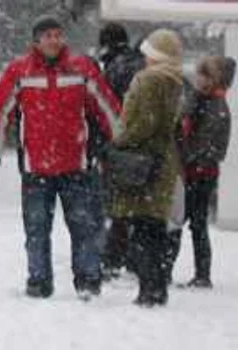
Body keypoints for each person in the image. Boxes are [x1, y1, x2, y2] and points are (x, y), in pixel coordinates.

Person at [0, 15, 122, 300]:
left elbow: (107, 107)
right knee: (37, 230)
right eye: (48, 36)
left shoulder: (81, 69)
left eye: (58, 35)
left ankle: (88, 281)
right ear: (36, 41)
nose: (54, 40)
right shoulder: (19, 72)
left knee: (84, 228)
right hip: (36, 167)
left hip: (76, 165)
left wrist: (122, 139)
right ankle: (39, 281)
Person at [110, 29, 185, 307]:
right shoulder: (176, 81)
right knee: (154, 227)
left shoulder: (148, 80)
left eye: (148, 52)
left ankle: (148, 290)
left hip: (142, 162)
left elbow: (141, 123)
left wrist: (119, 139)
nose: (144, 58)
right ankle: (156, 287)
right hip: (164, 162)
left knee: (141, 229)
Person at [166, 56, 235, 289]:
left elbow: (209, 145)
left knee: (184, 222)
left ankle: (172, 270)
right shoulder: (204, 101)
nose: (198, 79)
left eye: (203, 75)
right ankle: (197, 272)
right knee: (193, 223)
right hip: (199, 172)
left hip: (198, 173)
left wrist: (186, 159)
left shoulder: (211, 104)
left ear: (213, 79)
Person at [96, 23, 148, 280]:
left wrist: (101, 145)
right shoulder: (142, 64)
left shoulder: (114, 69)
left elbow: (106, 110)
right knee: (140, 204)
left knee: (117, 204)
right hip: (146, 147)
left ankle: (114, 256)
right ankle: (137, 257)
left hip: (120, 145)